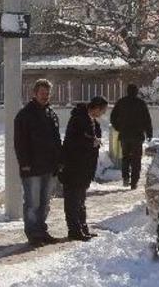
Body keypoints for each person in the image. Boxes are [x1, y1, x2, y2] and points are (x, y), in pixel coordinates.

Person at [14, 79, 62, 247]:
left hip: (49, 167)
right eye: (42, 93)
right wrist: (25, 164)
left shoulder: (51, 113)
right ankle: (33, 233)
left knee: (45, 203)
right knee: (33, 202)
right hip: (32, 168)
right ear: (34, 93)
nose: (45, 96)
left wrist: (59, 161)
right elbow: (20, 143)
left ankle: (42, 231)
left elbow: (56, 140)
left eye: (47, 93)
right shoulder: (25, 115)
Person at [61, 96, 108, 241]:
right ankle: (74, 230)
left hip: (85, 167)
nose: (103, 113)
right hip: (74, 166)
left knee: (81, 200)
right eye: (102, 110)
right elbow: (73, 141)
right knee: (73, 200)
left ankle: (82, 227)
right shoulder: (78, 119)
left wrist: (94, 142)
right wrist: (91, 142)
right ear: (96, 108)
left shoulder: (93, 122)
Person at [110, 84, 152, 189]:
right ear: (136, 92)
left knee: (125, 157)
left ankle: (125, 178)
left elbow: (113, 117)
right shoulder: (141, 103)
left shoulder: (121, 102)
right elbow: (147, 119)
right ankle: (134, 181)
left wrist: (118, 127)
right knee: (136, 159)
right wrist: (149, 133)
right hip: (137, 136)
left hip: (124, 135)